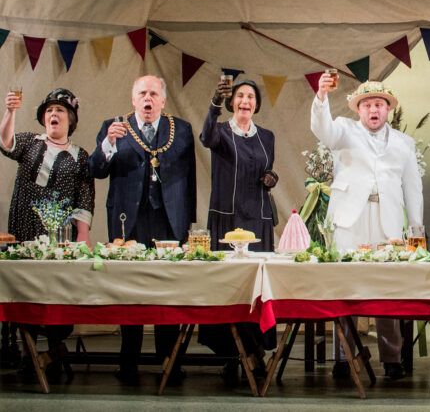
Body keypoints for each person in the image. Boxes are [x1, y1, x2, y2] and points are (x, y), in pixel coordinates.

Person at [311, 77, 423, 380]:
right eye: (368, 105)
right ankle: (345, 356)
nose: (373, 109)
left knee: (388, 287)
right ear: (359, 110)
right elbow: (321, 128)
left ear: (387, 109)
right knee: (344, 285)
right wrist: (321, 95)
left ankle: (392, 357)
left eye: (379, 104)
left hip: (388, 220)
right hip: (349, 218)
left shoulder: (404, 143)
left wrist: (416, 228)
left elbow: (413, 188)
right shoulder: (342, 131)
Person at [89, 75, 197, 385]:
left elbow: (190, 179)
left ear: (163, 100)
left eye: (153, 94)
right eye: (142, 93)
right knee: (129, 287)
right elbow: (96, 170)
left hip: (168, 217)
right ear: (133, 99)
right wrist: (108, 142)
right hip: (128, 218)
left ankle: (169, 358)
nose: (147, 99)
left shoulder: (182, 130)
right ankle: (129, 359)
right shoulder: (114, 126)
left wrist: (187, 220)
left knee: (169, 287)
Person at [2, 88, 95, 383]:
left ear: (71, 119)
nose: (53, 115)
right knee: (23, 290)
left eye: (60, 111)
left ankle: (54, 349)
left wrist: (82, 237)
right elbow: (5, 143)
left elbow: (85, 199)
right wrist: (10, 111)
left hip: (58, 237)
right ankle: (28, 352)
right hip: (24, 226)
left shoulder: (81, 157)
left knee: (56, 294)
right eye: (49, 111)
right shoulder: (31, 142)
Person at [198, 77, 278, 382]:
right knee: (229, 291)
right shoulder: (219, 131)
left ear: (256, 104)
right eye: (240, 96)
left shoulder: (267, 136)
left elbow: (266, 167)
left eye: (251, 97)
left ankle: (255, 350)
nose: (245, 100)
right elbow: (205, 137)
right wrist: (214, 104)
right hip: (227, 221)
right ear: (233, 102)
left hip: (257, 220)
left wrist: (271, 177)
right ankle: (234, 356)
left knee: (256, 293)